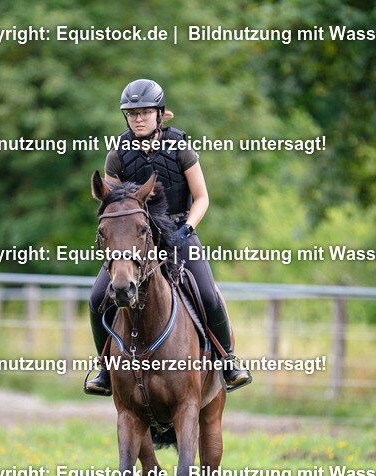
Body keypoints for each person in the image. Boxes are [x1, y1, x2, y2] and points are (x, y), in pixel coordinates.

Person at [85, 78, 252, 396]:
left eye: (145, 112)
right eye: (132, 113)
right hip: (134, 240)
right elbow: (111, 201)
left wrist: (186, 228)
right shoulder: (117, 155)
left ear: (159, 114)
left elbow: (202, 197)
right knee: (96, 297)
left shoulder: (181, 149)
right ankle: (105, 369)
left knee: (206, 293)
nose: (138, 118)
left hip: (178, 232)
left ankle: (228, 361)